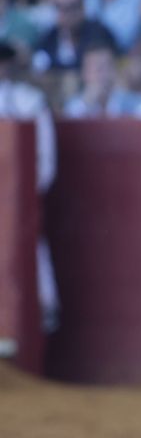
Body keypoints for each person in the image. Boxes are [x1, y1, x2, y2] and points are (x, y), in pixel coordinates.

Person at [0, 39, 57, 330]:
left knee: (27, 244)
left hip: (17, 197)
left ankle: (43, 309)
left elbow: (44, 159)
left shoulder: (28, 100)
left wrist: (23, 193)